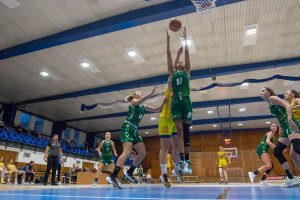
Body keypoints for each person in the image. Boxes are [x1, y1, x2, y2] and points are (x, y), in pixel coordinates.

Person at [106, 87, 165, 189]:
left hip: (134, 130)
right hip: (127, 128)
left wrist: (164, 101)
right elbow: (141, 100)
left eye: (141, 92)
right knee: (127, 152)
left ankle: (129, 172)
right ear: (134, 95)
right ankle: (113, 175)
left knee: (143, 153)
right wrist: (151, 94)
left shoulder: (143, 105)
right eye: (138, 91)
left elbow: (157, 109)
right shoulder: (133, 101)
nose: (140, 92)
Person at [260, 87, 300, 187]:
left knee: (297, 148)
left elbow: (287, 105)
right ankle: (291, 177)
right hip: (284, 127)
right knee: (277, 151)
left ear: (269, 92)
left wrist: (290, 119)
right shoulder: (269, 103)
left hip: (290, 124)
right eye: (260, 91)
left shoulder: (273, 98)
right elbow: (280, 115)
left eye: (263, 90)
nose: (261, 92)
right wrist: (281, 129)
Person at [167, 28, 192, 174]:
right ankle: (182, 161)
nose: (179, 63)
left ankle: (187, 161)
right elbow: (168, 56)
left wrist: (185, 38)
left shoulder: (187, 72)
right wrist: (168, 41)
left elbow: (187, 54)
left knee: (187, 132)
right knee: (180, 131)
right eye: (178, 62)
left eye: (181, 62)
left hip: (186, 101)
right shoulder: (172, 73)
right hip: (176, 102)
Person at [284, 89, 300, 170]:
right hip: (296, 127)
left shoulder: (296, 100)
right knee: (293, 155)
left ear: (293, 94)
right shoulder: (289, 104)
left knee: (297, 149)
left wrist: (291, 108)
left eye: (286, 93)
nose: (284, 94)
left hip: (299, 126)